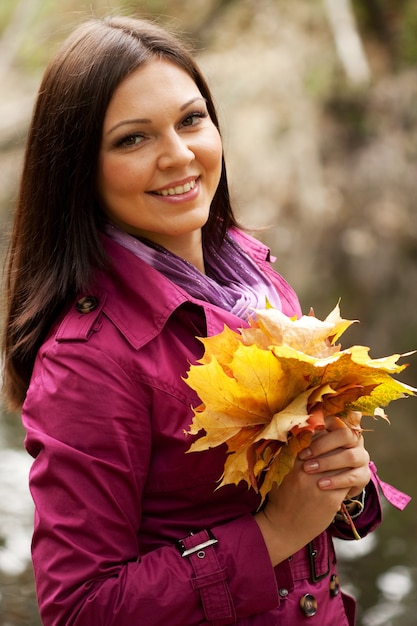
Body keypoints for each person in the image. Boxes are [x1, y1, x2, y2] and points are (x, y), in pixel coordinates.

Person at [1, 15, 409, 626]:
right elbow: (81, 609)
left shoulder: (251, 274)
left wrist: (347, 482)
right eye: (132, 139)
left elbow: (313, 491)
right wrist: (272, 534)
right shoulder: (87, 358)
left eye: (191, 120)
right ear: (80, 169)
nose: (179, 154)